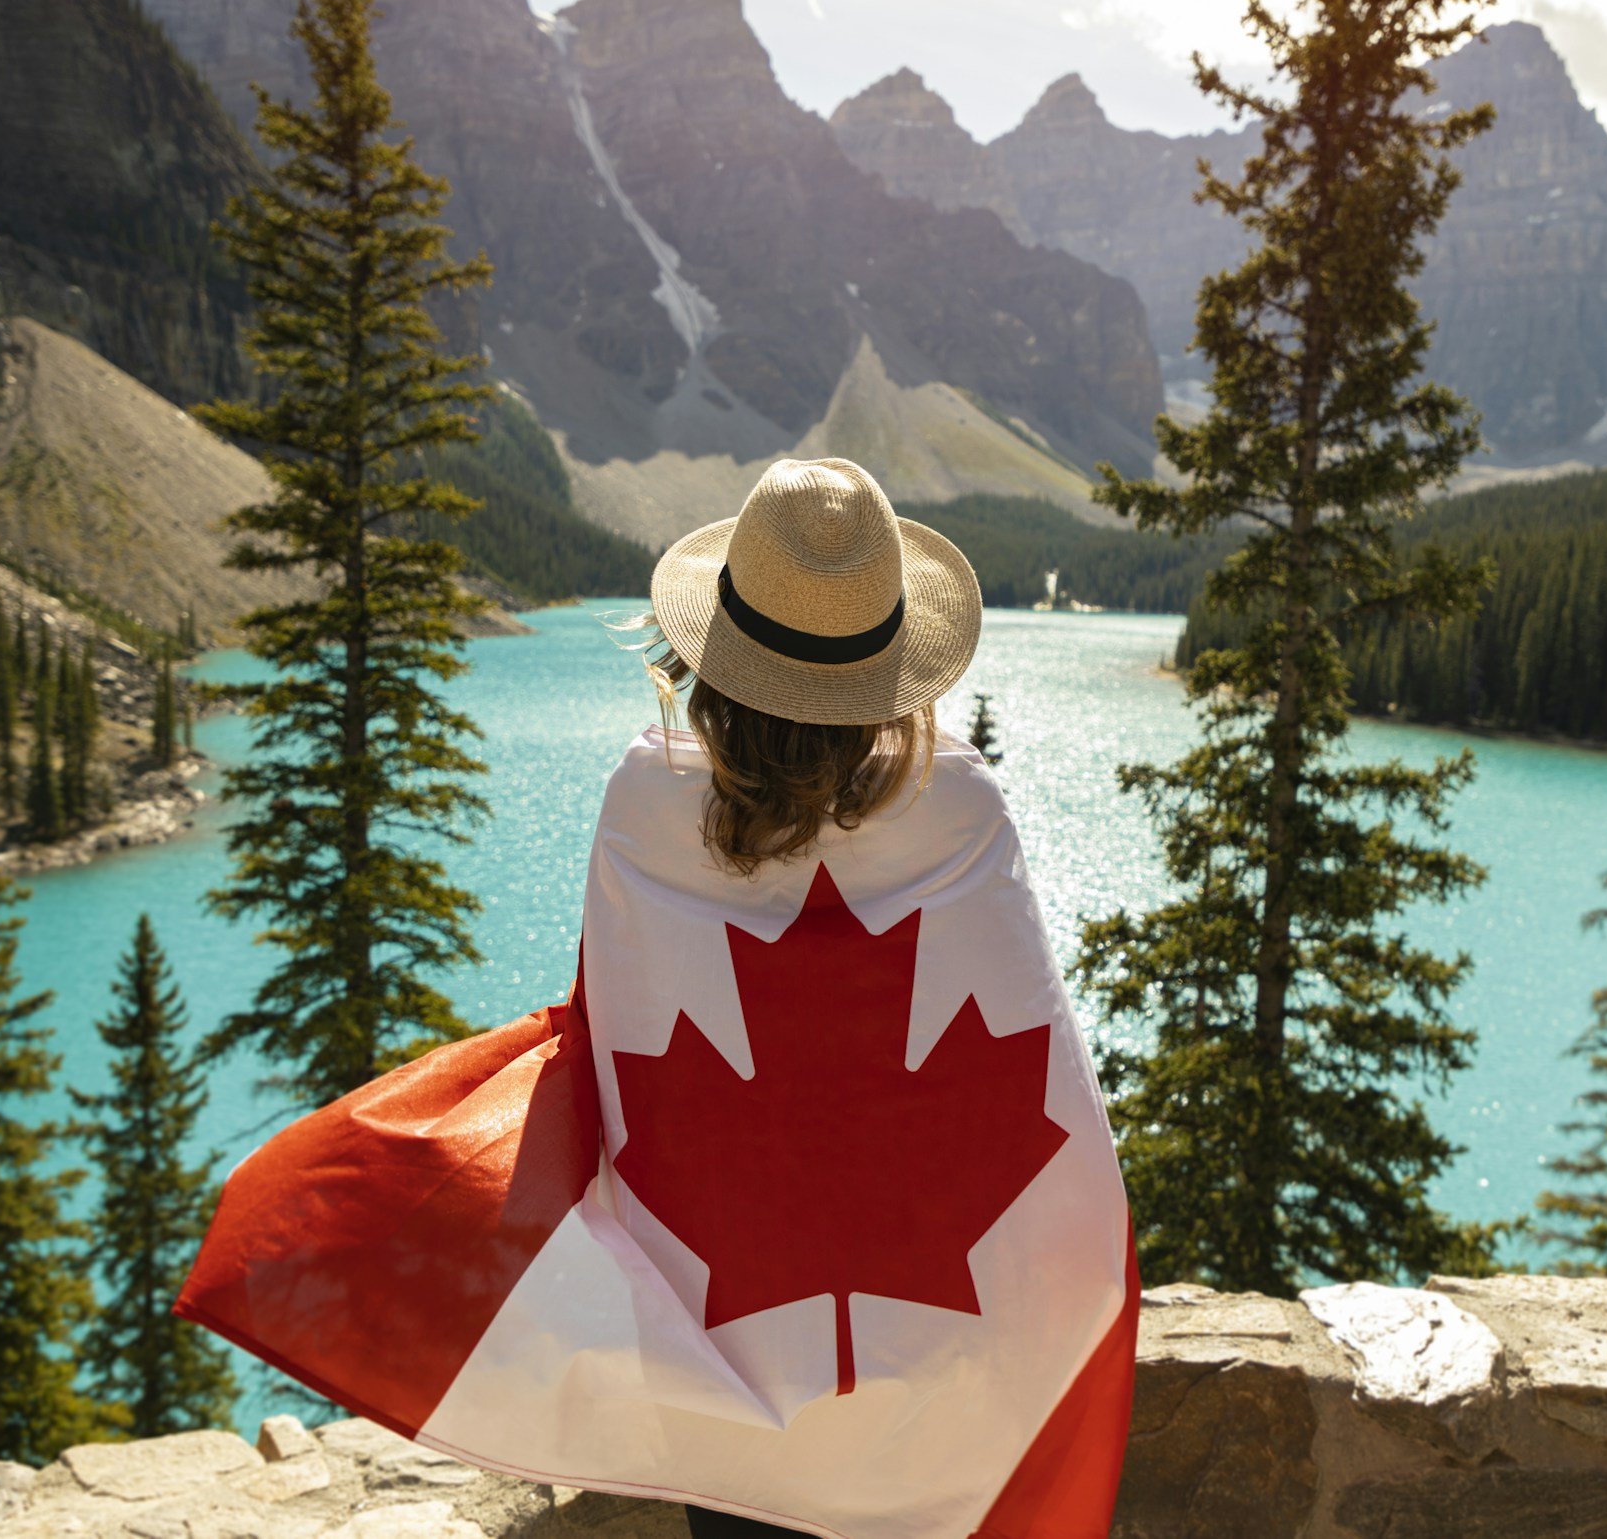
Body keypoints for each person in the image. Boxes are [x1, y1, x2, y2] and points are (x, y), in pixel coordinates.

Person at [179, 458, 1136, 1539]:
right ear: (892, 670)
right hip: (945, 1384)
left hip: (724, 1365)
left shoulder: (645, 802)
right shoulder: (960, 807)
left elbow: (614, 1034)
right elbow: (1043, 1074)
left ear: (709, 658)